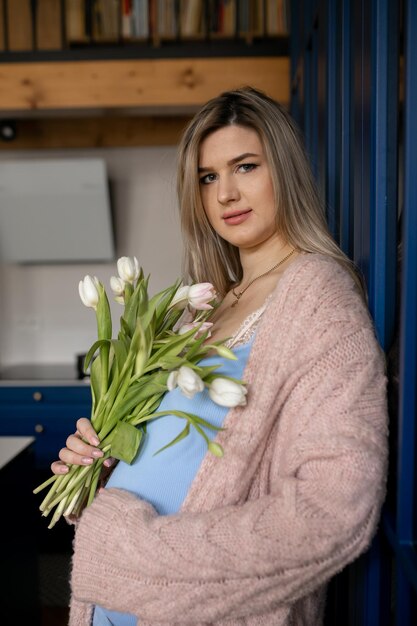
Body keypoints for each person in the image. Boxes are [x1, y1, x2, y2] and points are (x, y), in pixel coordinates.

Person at [53, 87, 388, 626]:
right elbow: (174, 462)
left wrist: (133, 551)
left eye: (246, 166)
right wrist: (100, 470)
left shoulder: (319, 300)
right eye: (208, 177)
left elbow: (333, 512)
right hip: (111, 608)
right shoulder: (207, 303)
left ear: (285, 171)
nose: (226, 193)